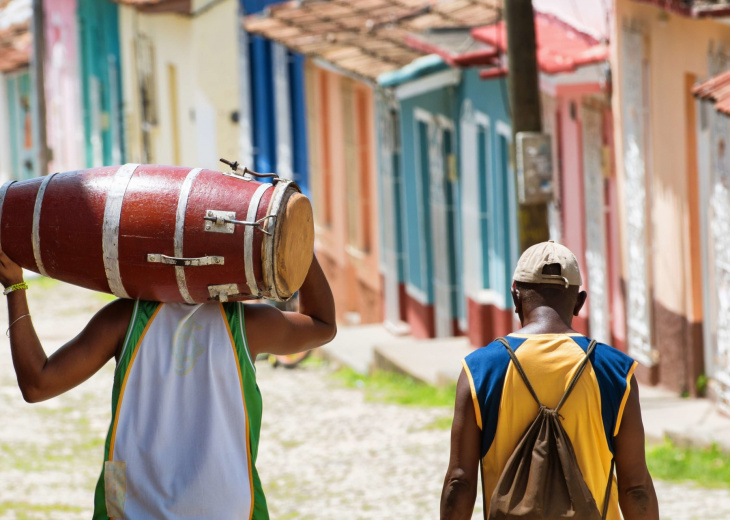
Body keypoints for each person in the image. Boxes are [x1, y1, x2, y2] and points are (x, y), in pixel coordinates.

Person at [0, 246, 336, 519]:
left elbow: (37, 385)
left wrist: (15, 287)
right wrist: (297, 241)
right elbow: (323, 324)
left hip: (125, 504)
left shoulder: (122, 318)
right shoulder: (249, 324)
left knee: (113, 481)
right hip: (229, 506)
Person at [440, 241, 659, 520]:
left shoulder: (480, 370)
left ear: (515, 296)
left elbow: (459, 482)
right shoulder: (615, 371)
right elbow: (636, 487)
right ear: (579, 302)